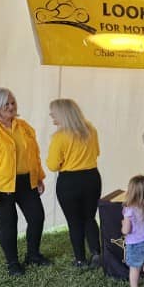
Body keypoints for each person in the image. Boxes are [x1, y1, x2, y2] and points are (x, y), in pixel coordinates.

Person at [0, 88, 50, 276]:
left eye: (12, 102)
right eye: (6, 104)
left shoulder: (23, 126)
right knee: (9, 223)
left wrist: (38, 177)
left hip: (26, 182)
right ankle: (13, 263)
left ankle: (33, 255)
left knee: (37, 217)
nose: (11, 107)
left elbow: (34, 155)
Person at [47, 98, 102, 269]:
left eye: (53, 113)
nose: (51, 115)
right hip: (92, 178)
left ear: (63, 114)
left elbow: (52, 165)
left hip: (69, 182)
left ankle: (80, 260)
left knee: (74, 221)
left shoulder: (59, 136)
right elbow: (97, 152)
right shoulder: (90, 130)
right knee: (89, 218)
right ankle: (97, 254)